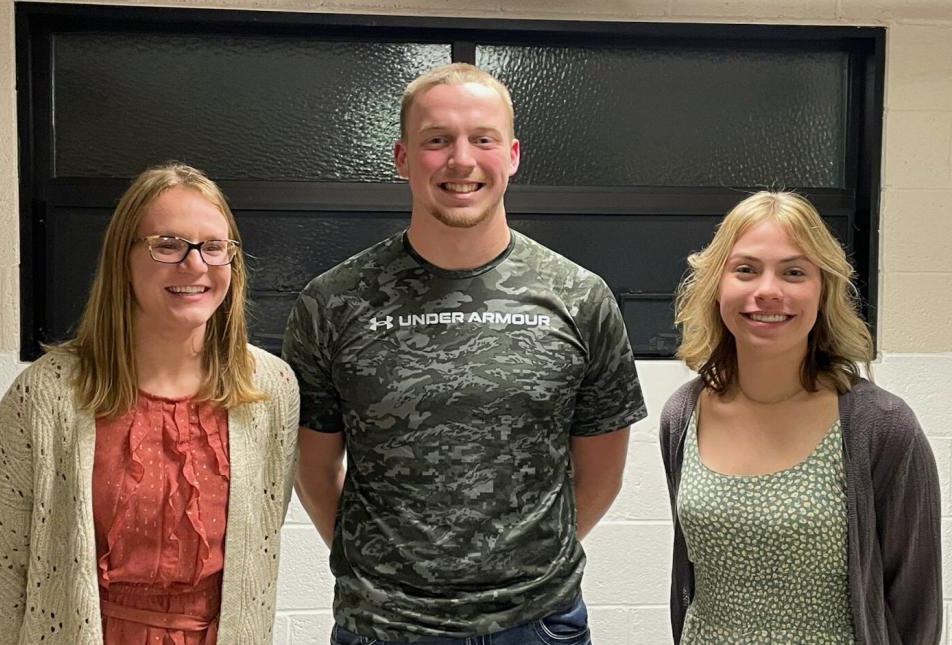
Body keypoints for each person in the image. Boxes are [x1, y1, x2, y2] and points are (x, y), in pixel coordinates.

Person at [283, 63, 646, 644]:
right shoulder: (333, 302)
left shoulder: (580, 296)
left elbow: (602, 474)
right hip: (382, 628)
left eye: (482, 138)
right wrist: (383, 574)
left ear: (513, 155)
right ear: (403, 158)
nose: (461, 159)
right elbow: (313, 467)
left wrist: (523, 575)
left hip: (536, 625)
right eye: (437, 140)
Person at [0, 162, 299, 643]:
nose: (195, 265)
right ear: (123, 258)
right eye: (168, 244)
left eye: (214, 247)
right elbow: (2, 570)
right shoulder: (44, 396)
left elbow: (264, 531)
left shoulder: (271, 388)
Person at [660, 191, 941, 644]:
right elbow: (689, 581)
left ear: (823, 290)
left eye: (794, 272)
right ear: (717, 285)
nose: (768, 290)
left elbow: (915, 601)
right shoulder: (683, 414)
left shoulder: (881, 426)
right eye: (746, 269)